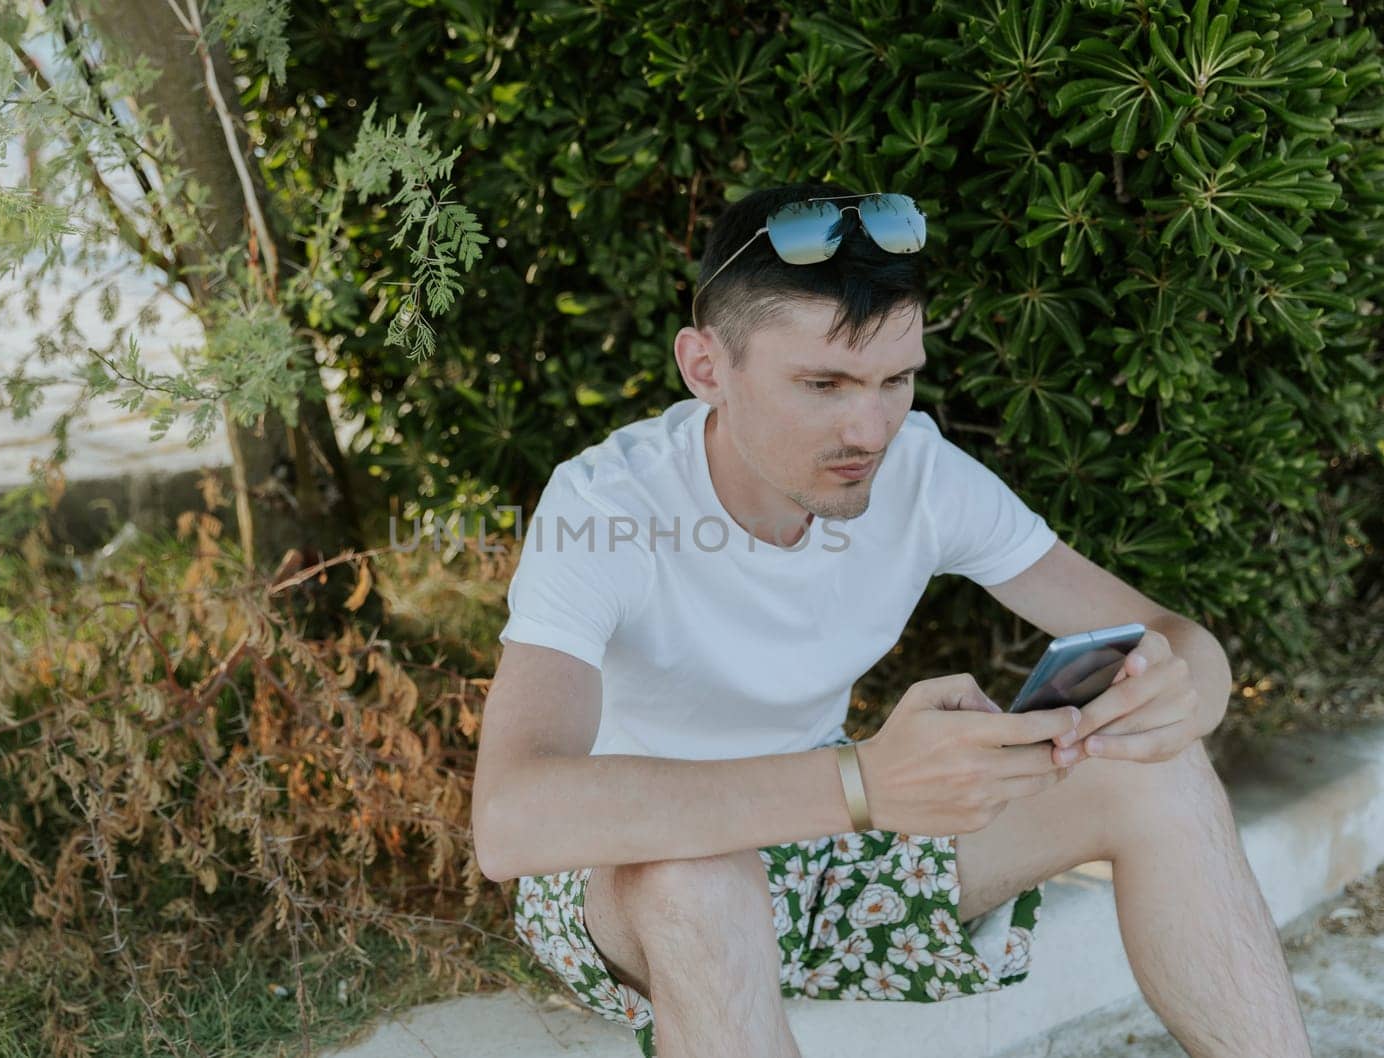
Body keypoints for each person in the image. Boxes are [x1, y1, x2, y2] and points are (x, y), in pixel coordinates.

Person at [469, 181, 1312, 1058]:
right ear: (706, 365)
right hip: (632, 882)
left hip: (830, 853)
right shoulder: (606, 505)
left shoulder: (919, 472)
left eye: (895, 380)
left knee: (1162, 771)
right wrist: (863, 781)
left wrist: (1184, 693)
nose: (870, 429)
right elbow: (514, 818)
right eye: (824, 383)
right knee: (698, 877)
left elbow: (1174, 638)